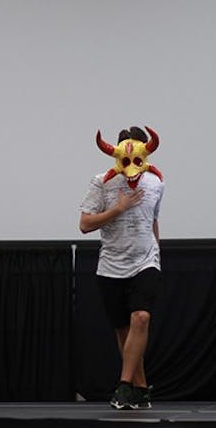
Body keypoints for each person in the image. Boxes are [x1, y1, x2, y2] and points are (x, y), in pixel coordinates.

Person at [79, 125, 164, 410]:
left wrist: (157, 252)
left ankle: (124, 385)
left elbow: (153, 219)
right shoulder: (101, 182)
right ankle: (140, 388)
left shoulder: (156, 182)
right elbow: (85, 225)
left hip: (146, 261)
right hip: (111, 265)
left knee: (141, 317)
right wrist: (119, 208)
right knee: (124, 331)